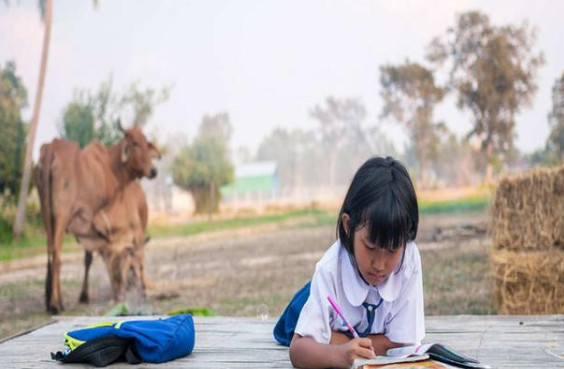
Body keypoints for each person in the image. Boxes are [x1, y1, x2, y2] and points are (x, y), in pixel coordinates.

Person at [273, 156, 424, 369]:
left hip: (346, 317)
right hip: (316, 299)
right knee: (292, 322)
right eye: (370, 247)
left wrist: (336, 340)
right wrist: (337, 354)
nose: (380, 265)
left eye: (392, 250)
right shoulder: (329, 270)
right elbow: (298, 349)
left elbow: (404, 341)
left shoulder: (409, 260)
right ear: (348, 225)